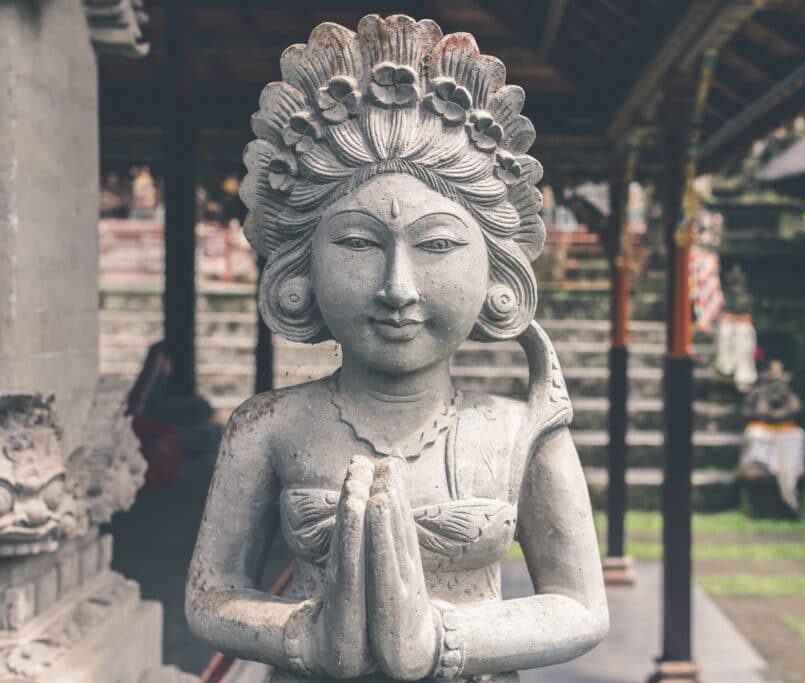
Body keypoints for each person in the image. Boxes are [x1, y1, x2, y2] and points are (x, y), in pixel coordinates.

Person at [185, 15, 608, 683]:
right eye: (357, 244)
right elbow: (211, 595)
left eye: (438, 245)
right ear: (303, 269)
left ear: (495, 271)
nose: (396, 288)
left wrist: (442, 639)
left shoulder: (518, 430)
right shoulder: (268, 427)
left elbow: (581, 604)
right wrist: (305, 637)